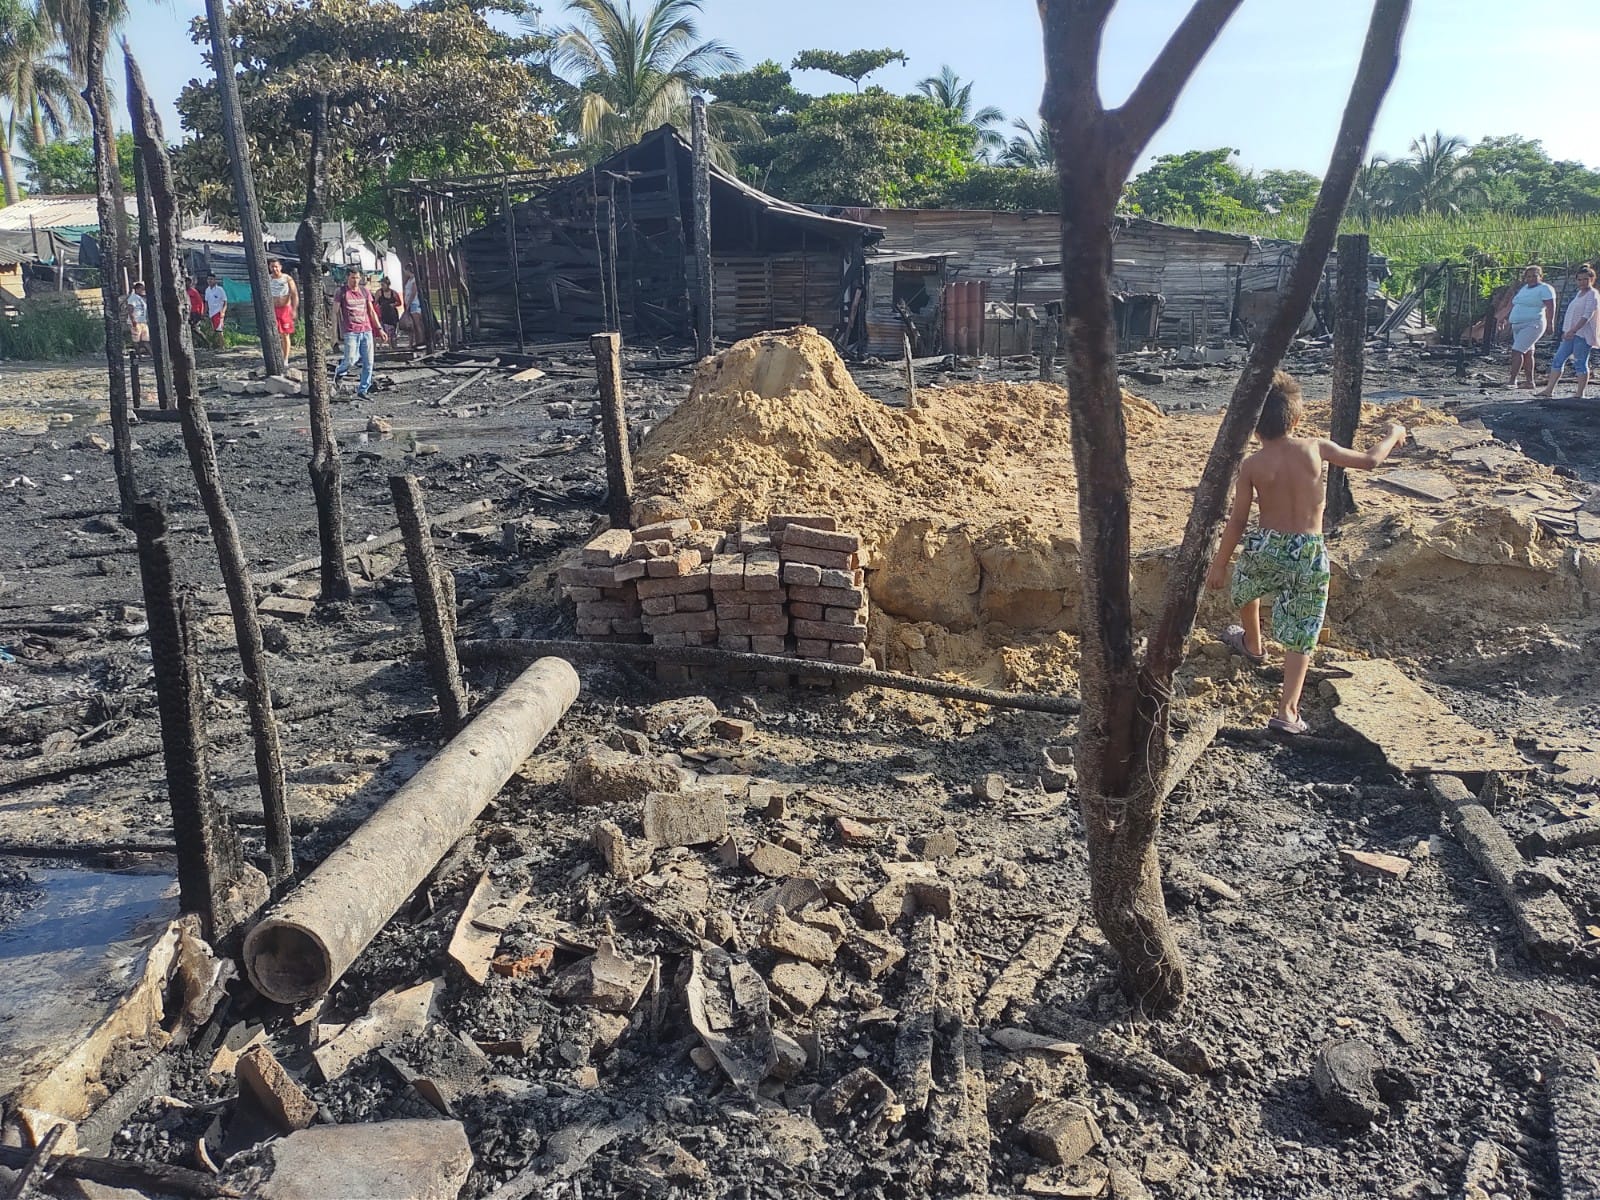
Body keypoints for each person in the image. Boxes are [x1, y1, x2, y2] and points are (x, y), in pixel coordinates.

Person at [1206, 370, 1407, 735]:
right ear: (1296, 420)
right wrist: (1393, 434)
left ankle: (1253, 642)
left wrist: (1220, 564)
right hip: (1308, 550)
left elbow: (1236, 522)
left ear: (1254, 428)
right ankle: (1287, 711)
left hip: (1267, 544)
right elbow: (1369, 461)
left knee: (1246, 587)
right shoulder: (1316, 447)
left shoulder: (1251, 465)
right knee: (1303, 629)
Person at [1538, 264, 1599, 401]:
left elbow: (1587, 315)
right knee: (1558, 359)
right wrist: (1567, 331)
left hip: (1582, 334)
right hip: (1570, 334)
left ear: (1591, 279)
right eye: (1580, 279)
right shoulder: (1578, 294)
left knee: (1580, 362)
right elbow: (1572, 314)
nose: (1582, 282)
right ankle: (1549, 389)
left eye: (1585, 279)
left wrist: (1574, 330)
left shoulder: (1592, 294)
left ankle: (1580, 393)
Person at [333, 268, 388, 399]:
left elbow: (371, 311)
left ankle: (363, 390)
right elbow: (334, 313)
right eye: (353, 278)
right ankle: (340, 372)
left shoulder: (364, 291)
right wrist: (334, 334)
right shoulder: (341, 292)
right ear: (347, 278)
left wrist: (379, 329)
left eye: (357, 278)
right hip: (351, 331)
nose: (355, 281)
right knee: (351, 360)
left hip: (366, 330)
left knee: (369, 362)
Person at [1505, 264, 1556, 389]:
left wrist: (1550, 323)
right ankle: (1529, 381)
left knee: (1517, 351)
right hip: (1518, 324)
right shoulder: (1524, 289)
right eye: (1528, 276)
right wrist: (1504, 319)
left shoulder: (1545, 289)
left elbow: (1550, 306)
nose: (1531, 278)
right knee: (1527, 352)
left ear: (1541, 276)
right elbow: (1514, 305)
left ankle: (1512, 381)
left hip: (1533, 323)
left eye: (1534, 276)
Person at [266, 257, 299, 367]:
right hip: (273, 309)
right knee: (274, 334)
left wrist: (294, 309)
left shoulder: (287, 278)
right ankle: (277, 356)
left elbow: (294, 294)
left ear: (280, 267)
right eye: (272, 267)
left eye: (276, 266)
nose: (274, 269)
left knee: (285, 334)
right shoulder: (267, 279)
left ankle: (285, 359)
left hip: (285, 309)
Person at [401, 271, 429, 352]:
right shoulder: (409, 280)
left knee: (417, 324)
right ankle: (417, 341)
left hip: (414, 303)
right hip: (410, 303)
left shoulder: (414, 281)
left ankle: (420, 342)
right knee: (414, 325)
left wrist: (409, 303)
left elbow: (413, 293)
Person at [374, 275, 401, 346]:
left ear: (387, 285)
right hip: (383, 314)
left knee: (393, 331)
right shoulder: (379, 292)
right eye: (381, 285)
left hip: (392, 314)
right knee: (385, 330)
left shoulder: (394, 293)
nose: (382, 286)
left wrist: (393, 304)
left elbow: (399, 302)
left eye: (383, 285)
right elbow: (375, 303)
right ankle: (387, 344)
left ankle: (394, 345)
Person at [125, 281, 149, 345]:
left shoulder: (141, 298)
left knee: (145, 339)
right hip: (136, 322)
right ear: (137, 289)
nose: (143, 290)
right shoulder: (133, 298)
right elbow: (130, 310)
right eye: (142, 289)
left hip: (143, 321)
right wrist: (133, 321)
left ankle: (151, 354)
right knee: (136, 340)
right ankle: (138, 354)